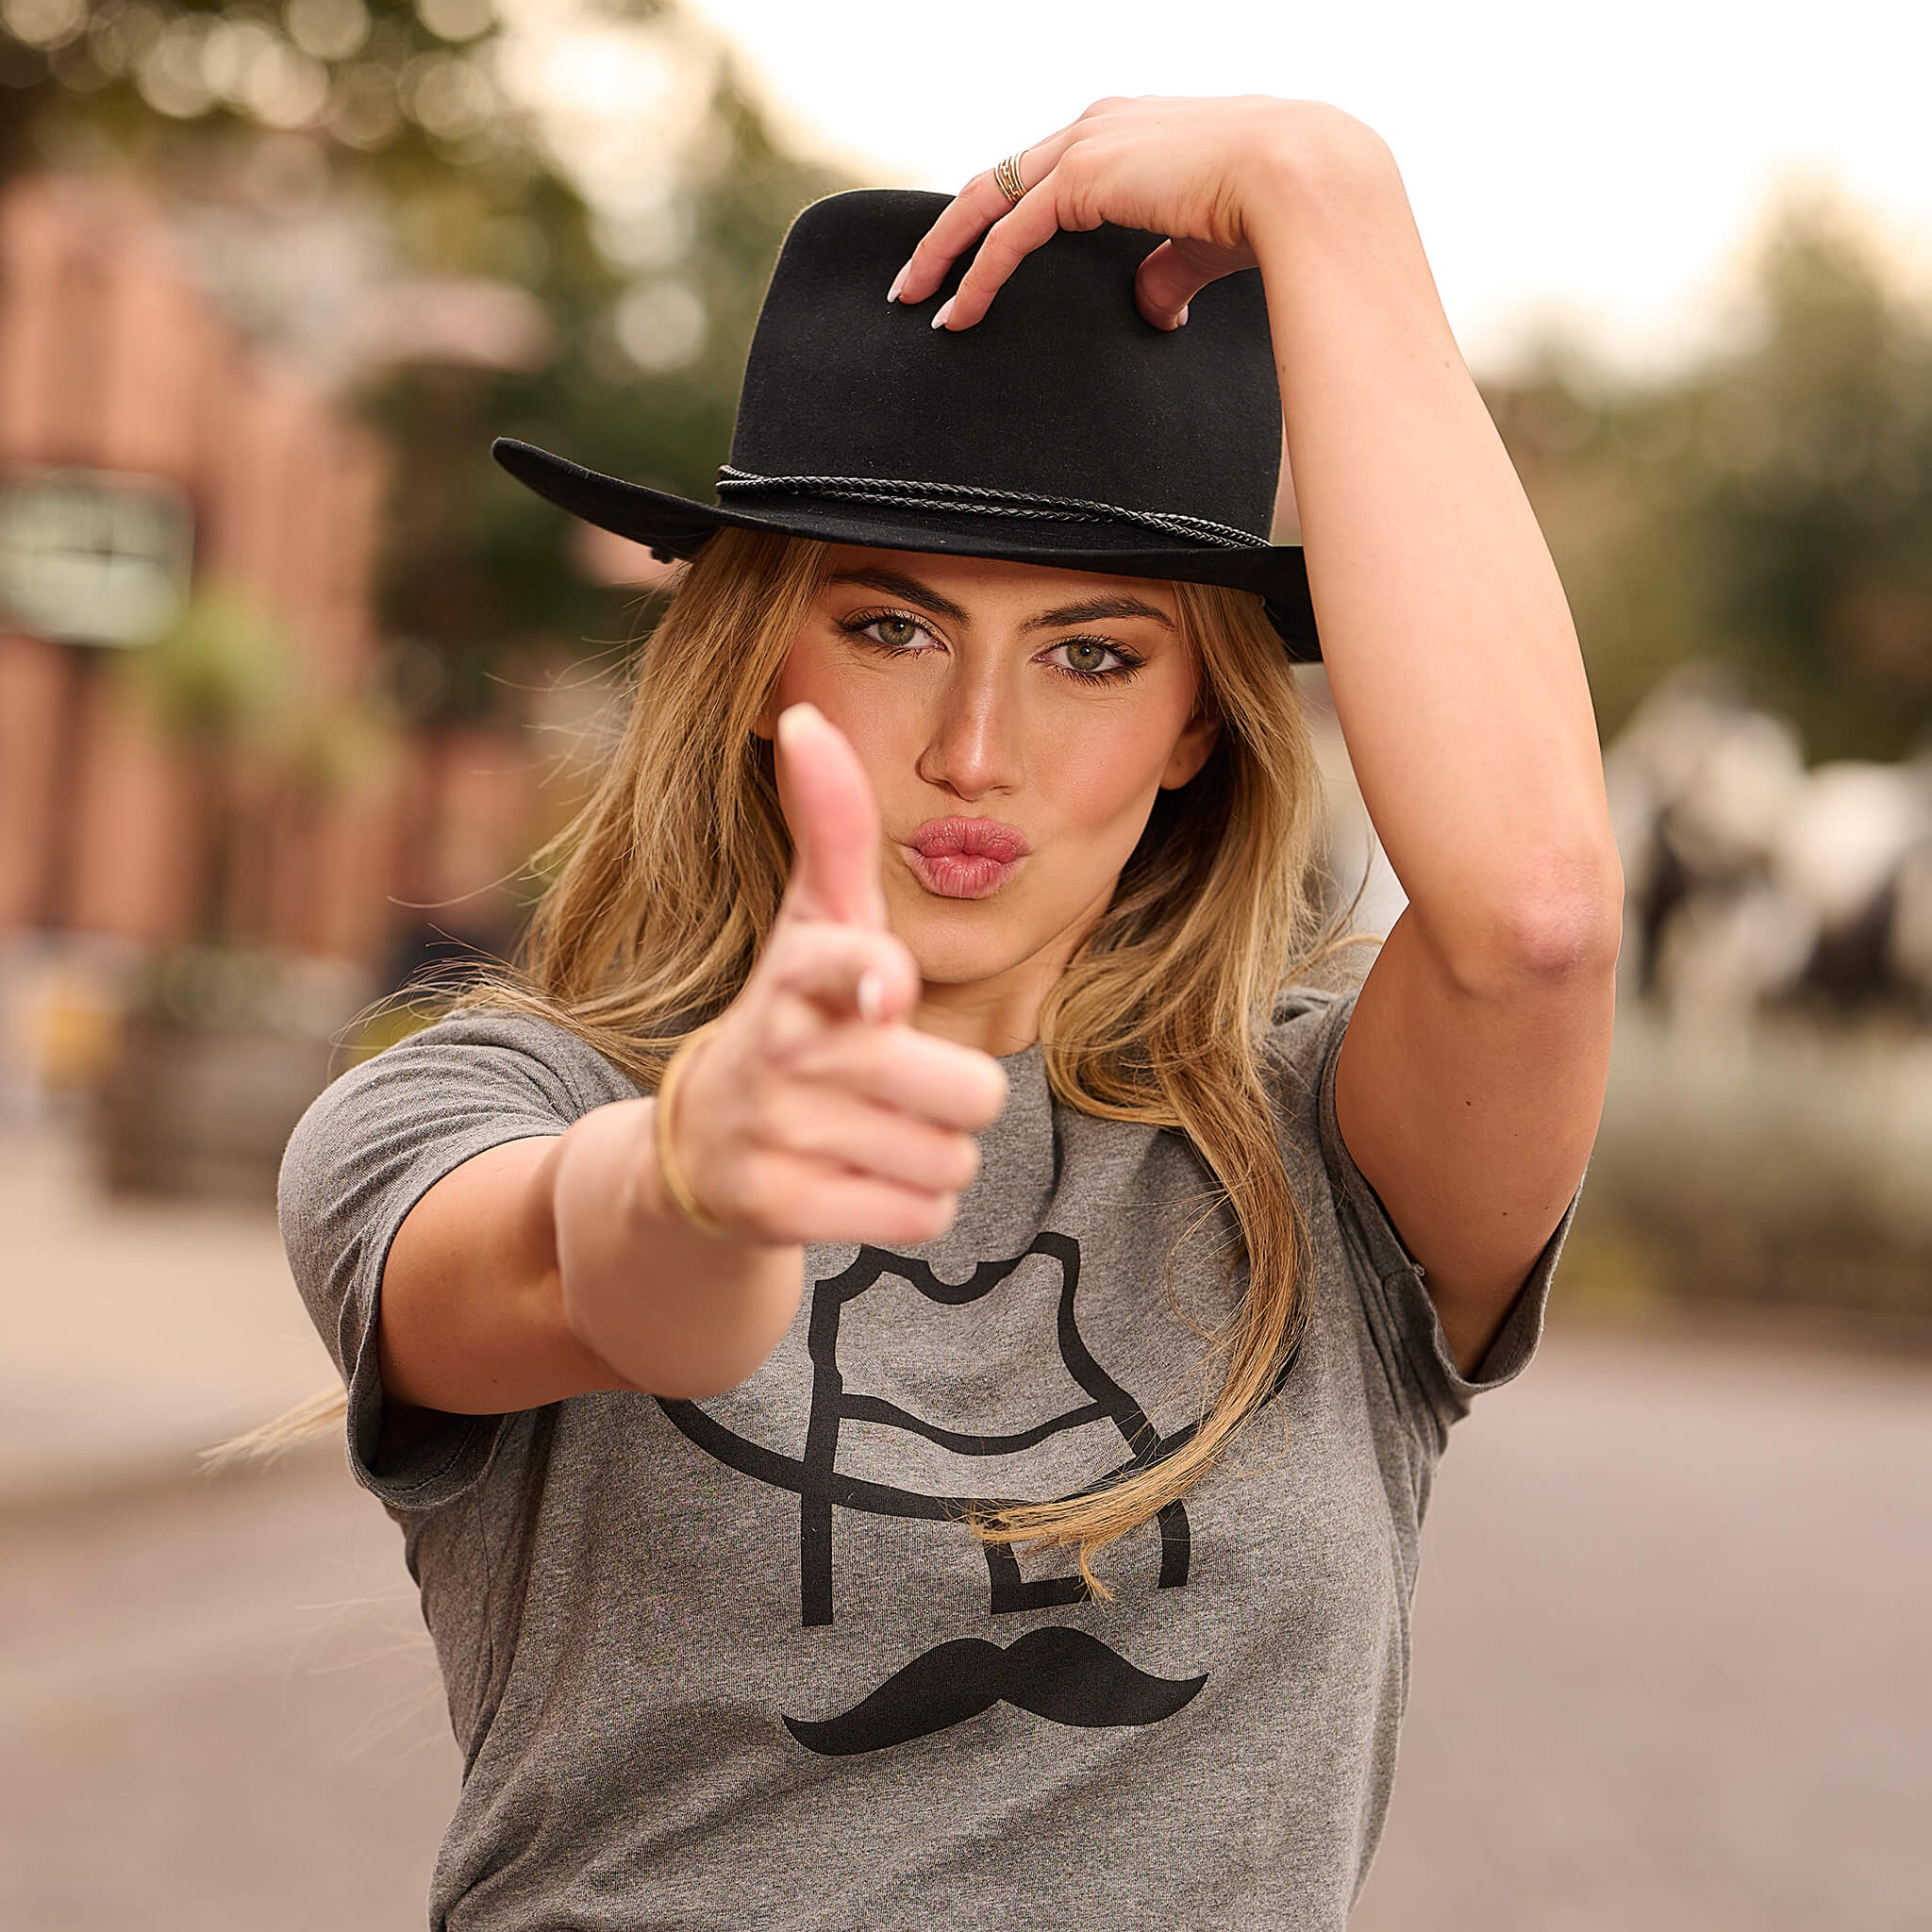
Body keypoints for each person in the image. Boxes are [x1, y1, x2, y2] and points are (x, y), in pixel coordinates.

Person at [280, 95, 1621, 1931]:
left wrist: (1326, 192)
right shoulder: (480, 1102)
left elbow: (1536, 922)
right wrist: (701, 1175)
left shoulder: (1334, 1160)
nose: (975, 751)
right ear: (760, 661)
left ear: (1197, 724)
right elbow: (582, 1267)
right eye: (891, 627)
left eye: (1092, 652)